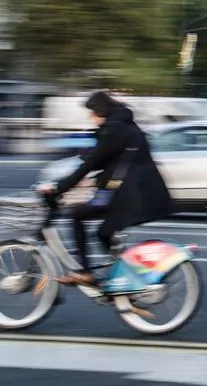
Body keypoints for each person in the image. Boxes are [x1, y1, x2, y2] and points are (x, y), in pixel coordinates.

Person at [37, 91, 174, 285]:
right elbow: (107, 160)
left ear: (100, 111)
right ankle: (122, 276)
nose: (90, 117)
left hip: (128, 195)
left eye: (92, 112)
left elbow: (92, 162)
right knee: (103, 233)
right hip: (123, 192)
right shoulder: (122, 125)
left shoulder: (115, 129)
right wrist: (86, 180)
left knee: (77, 216)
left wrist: (59, 188)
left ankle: (89, 273)